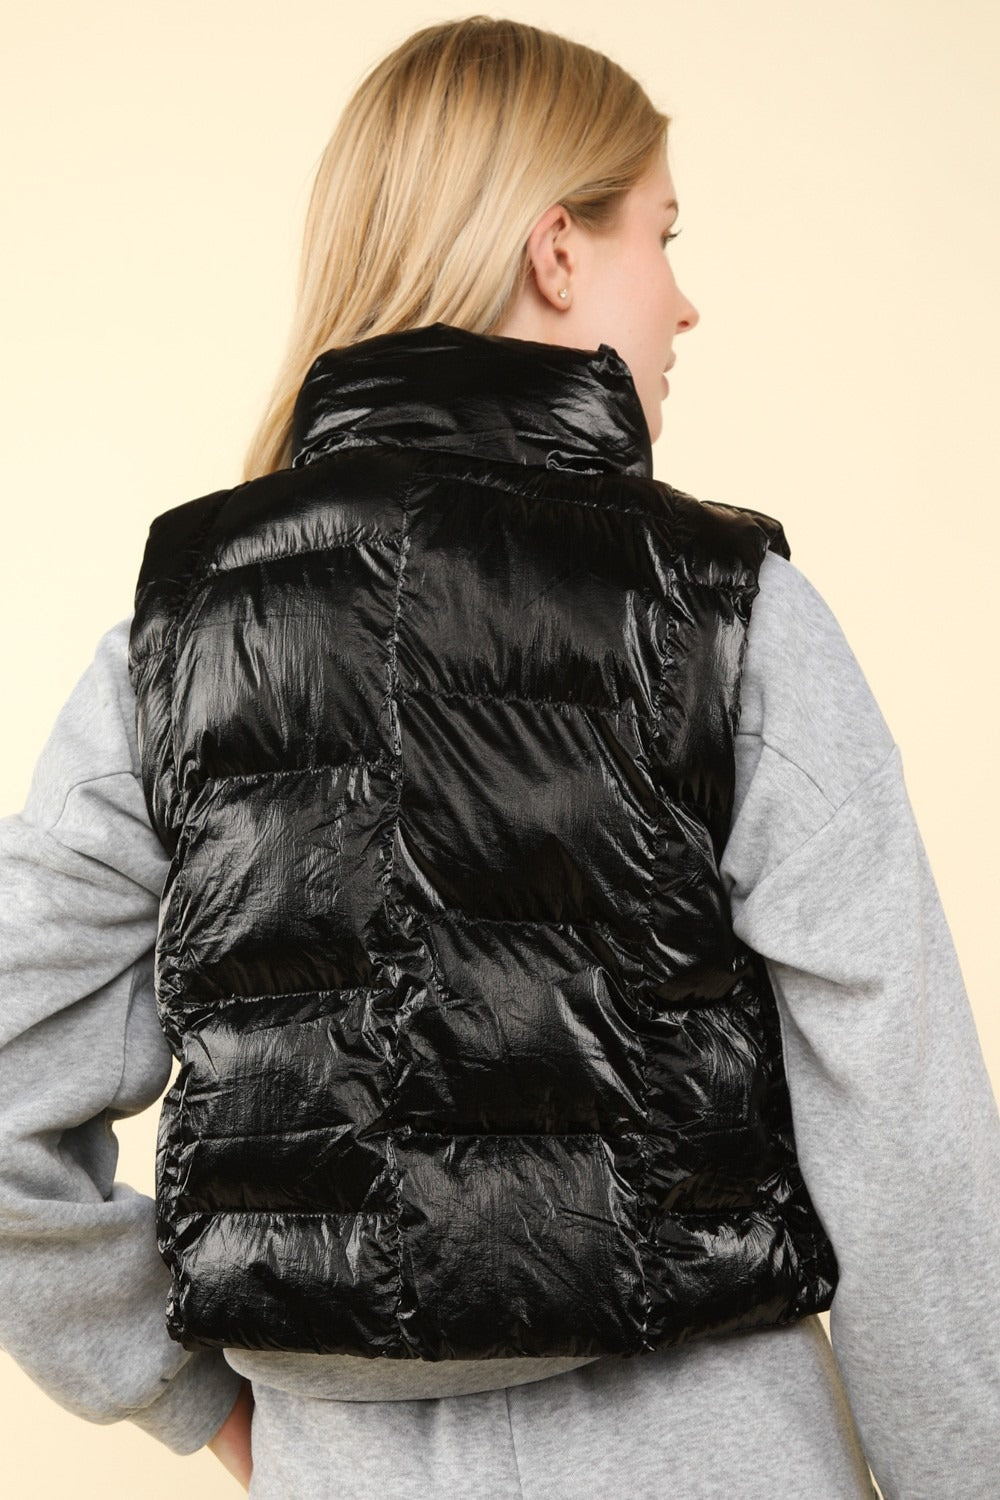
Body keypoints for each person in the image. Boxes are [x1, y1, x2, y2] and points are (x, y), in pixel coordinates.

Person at [1, 15, 998, 1500]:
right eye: (662, 233)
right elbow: (910, 1146)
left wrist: (191, 1397)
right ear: (557, 253)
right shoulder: (731, 614)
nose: (686, 303)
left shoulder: (178, 637)